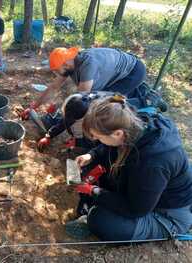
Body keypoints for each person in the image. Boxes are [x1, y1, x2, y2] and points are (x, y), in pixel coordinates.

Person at [66, 95, 192, 241]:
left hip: (168, 213)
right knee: (101, 174)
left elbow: (135, 209)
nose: (98, 141)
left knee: (100, 220)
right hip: (148, 194)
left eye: (99, 137)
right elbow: (110, 148)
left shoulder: (152, 163)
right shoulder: (132, 124)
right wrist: (91, 156)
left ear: (118, 133)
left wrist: (94, 191)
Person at [19, 47, 167, 120]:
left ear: (65, 63)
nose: (58, 74)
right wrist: (33, 107)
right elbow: (53, 88)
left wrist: (62, 114)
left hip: (133, 71)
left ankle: (148, 100)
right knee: (100, 97)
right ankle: (138, 93)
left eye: (58, 70)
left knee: (109, 102)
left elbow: (82, 98)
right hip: (117, 73)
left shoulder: (88, 65)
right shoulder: (70, 64)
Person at [36, 91, 157, 150]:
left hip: (126, 109)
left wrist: (79, 143)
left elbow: (101, 140)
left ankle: (151, 100)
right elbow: (64, 122)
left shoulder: (103, 118)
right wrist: (49, 136)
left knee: (138, 107)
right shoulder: (76, 103)